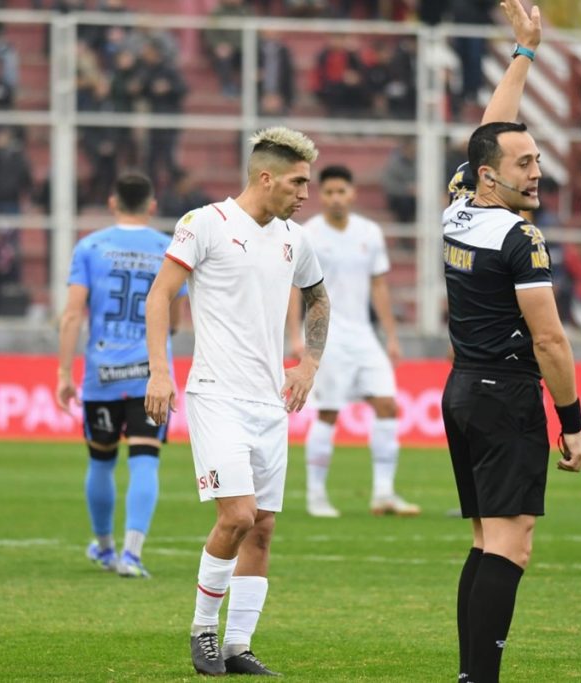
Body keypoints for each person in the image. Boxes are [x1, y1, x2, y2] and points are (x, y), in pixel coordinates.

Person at [440, 3, 581, 682]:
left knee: (484, 542)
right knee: (512, 545)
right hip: (505, 397)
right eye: (525, 162)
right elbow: (552, 340)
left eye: (537, 158)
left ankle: (472, 675)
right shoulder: (519, 237)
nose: (537, 170)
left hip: (462, 391)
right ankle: (481, 678)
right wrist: (574, 423)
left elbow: (487, 132)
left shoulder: (459, 209)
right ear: (491, 175)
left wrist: (523, 54)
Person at [144, 128, 329, 676]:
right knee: (238, 516)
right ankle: (203, 630)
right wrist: (161, 371)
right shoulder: (205, 224)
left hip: (269, 401)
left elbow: (318, 295)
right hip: (215, 395)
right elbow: (161, 295)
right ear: (265, 177)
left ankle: (237, 646)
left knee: (263, 526)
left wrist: (310, 363)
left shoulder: (296, 237)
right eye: (298, 182)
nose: (305, 193)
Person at [55, 172, 186, 579]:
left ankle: (105, 547)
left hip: (102, 373)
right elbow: (176, 318)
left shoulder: (90, 246)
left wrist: (64, 372)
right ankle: (132, 553)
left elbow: (74, 313)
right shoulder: (168, 247)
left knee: (101, 460)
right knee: (145, 457)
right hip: (151, 374)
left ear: (113, 203)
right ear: (151, 205)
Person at [285, 164, 419, 518]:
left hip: (363, 335)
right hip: (324, 336)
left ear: (352, 194)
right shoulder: (308, 234)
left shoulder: (369, 233)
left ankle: (384, 494)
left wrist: (390, 336)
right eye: (328, 192)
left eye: (341, 191)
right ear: (321, 195)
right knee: (328, 412)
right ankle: (316, 496)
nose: (335, 198)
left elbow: (379, 286)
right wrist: (295, 337)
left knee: (387, 405)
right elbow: (295, 288)